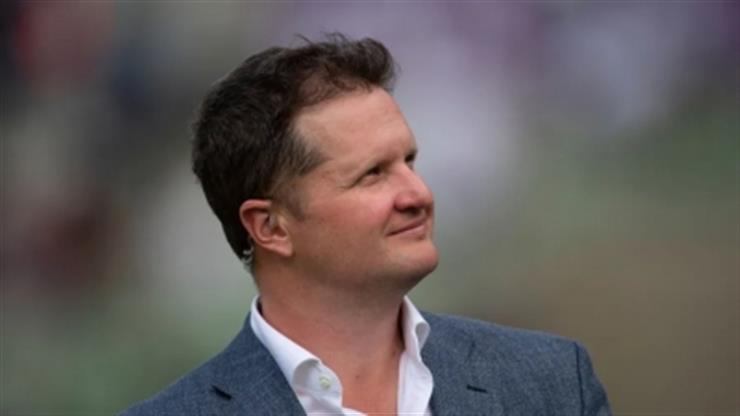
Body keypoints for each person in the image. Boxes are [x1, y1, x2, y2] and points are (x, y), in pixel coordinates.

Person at [122, 34, 611, 415]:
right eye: (372, 175)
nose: (419, 195)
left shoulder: (551, 383)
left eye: (409, 162)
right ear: (270, 227)